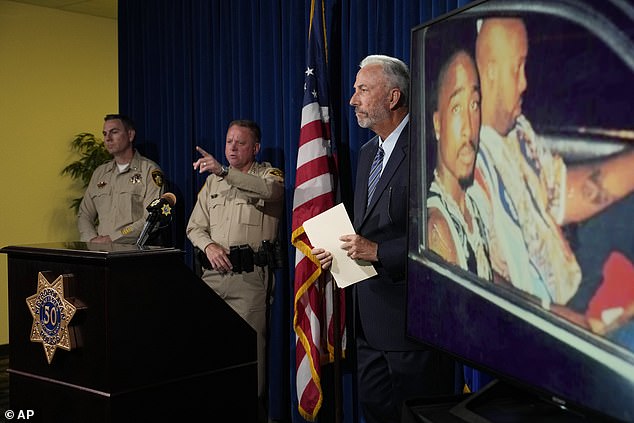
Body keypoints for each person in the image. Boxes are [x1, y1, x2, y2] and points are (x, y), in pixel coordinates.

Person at [312, 55, 457, 423]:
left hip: (412, 328)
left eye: (362, 89)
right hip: (367, 324)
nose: (352, 99)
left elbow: (447, 239)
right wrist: (339, 253)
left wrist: (379, 251)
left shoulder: (431, 148)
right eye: (355, 89)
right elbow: (367, 231)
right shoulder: (365, 155)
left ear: (393, 97)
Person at [472, 18, 634, 342]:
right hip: (545, 316)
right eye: (518, 68)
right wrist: (562, 318)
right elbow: (482, 275)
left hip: (569, 276)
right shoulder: (470, 161)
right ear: (490, 72)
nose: (524, 83)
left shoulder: (517, 132)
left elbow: (565, 193)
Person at [186, 119, 284, 408]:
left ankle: (249, 409)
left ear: (255, 147)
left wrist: (225, 172)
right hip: (212, 278)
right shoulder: (212, 182)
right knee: (210, 349)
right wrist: (210, 245)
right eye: (229, 141)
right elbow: (194, 227)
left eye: (240, 142)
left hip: (249, 280)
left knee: (250, 353)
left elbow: (272, 193)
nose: (232, 147)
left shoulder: (268, 175)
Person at [427, 49, 492, 280]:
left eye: (474, 105)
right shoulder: (438, 225)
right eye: (456, 108)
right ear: (437, 123)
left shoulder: (472, 208)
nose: (468, 128)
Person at [78, 114, 165, 244]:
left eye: (114, 132)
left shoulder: (150, 171)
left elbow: (152, 219)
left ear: (130, 135)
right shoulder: (100, 173)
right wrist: (91, 240)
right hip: (100, 253)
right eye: (105, 133)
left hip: (132, 253)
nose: (108, 138)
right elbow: (84, 214)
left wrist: (113, 239)